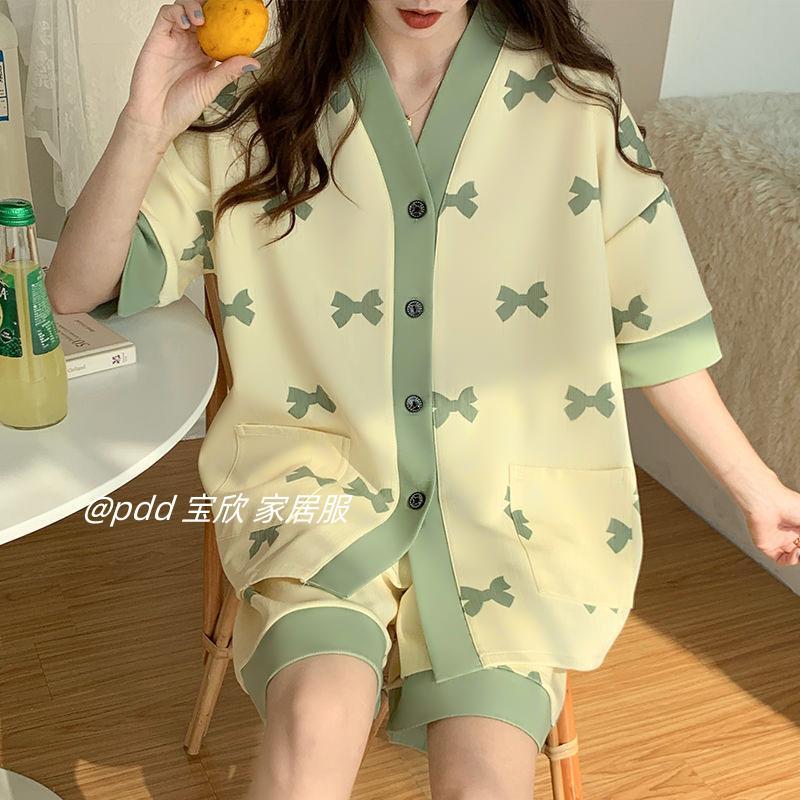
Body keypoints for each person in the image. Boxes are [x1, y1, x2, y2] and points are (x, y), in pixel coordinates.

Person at [47, 1, 800, 798]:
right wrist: (145, 120)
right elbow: (74, 289)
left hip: (512, 513)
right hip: (316, 486)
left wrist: (758, 490)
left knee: (485, 781)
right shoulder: (261, 99)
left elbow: (655, 326)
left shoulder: (575, 104)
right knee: (314, 722)